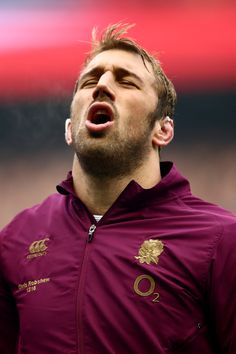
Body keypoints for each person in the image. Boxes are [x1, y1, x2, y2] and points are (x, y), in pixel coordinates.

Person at [0, 23, 236, 354]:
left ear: (162, 130)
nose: (103, 86)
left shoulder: (221, 240)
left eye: (126, 82)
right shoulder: (15, 241)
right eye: (90, 81)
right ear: (70, 130)